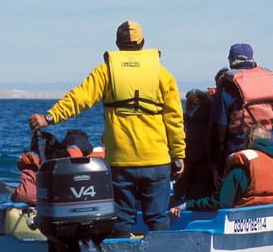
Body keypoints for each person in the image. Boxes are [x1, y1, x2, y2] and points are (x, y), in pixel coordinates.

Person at [28, 20, 186, 236]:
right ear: (143, 43)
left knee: (121, 221)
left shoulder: (106, 72)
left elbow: (79, 98)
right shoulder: (163, 75)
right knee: (158, 218)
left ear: (117, 44)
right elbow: (175, 120)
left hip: (122, 162)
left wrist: (49, 116)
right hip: (157, 161)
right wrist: (178, 154)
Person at [169, 124, 273, 217]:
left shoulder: (244, 164)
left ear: (248, 141)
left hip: (248, 216)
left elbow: (223, 201)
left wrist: (186, 205)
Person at [208, 44, 273, 183]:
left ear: (231, 60)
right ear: (252, 59)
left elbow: (218, 128)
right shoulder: (270, 81)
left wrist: (215, 164)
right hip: (270, 147)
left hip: (238, 150)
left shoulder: (227, 86)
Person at [172, 89, 213, 201]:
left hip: (194, 170)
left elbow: (187, 163)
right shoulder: (214, 120)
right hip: (211, 174)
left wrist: (178, 193)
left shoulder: (187, 124)